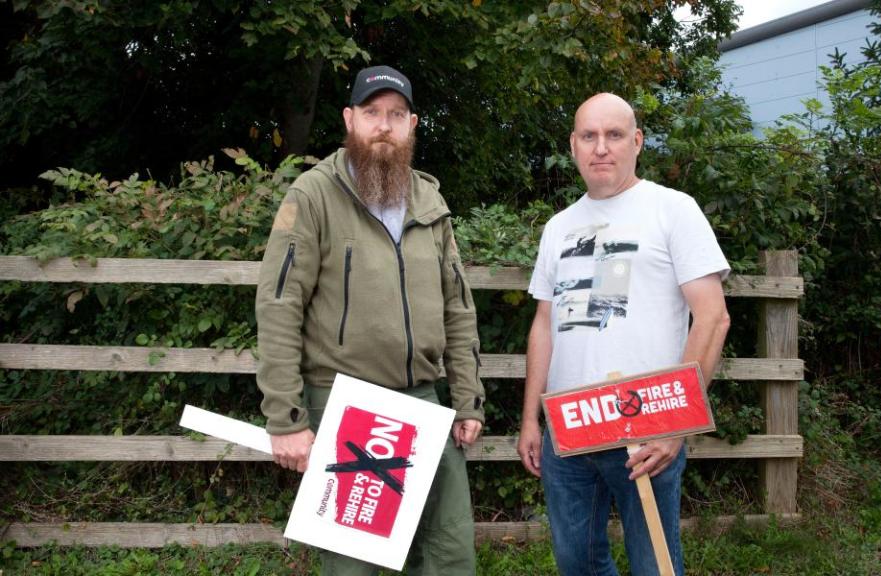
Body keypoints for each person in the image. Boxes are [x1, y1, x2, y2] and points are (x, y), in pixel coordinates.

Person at [255, 65, 485, 576]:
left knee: (449, 553)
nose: (384, 125)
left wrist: (467, 399)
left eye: (396, 115)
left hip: (424, 400)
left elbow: (457, 307)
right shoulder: (312, 196)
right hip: (345, 403)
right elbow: (278, 304)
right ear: (349, 119)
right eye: (372, 112)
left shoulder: (431, 201)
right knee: (353, 565)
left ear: (413, 125)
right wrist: (287, 417)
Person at [517, 93, 731, 576]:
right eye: (589, 136)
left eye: (614, 135)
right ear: (573, 145)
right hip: (568, 426)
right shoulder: (558, 227)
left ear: (636, 142)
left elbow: (713, 317)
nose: (601, 148)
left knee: (653, 564)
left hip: (646, 420)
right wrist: (531, 420)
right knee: (577, 562)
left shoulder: (673, 209)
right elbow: (544, 324)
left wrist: (677, 425)